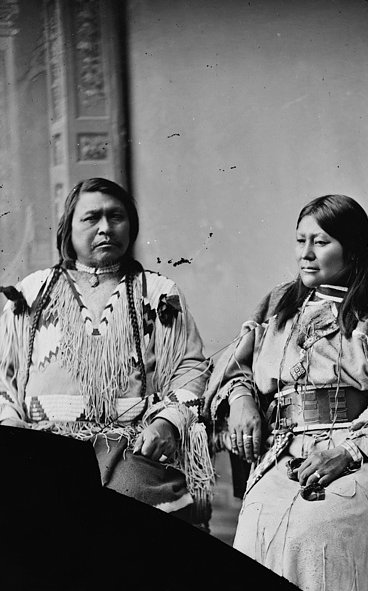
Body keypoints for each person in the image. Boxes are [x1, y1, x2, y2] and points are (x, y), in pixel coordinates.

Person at [204, 194, 368, 591]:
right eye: (301, 241)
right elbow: (235, 367)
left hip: (363, 450)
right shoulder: (278, 305)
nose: (306, 254)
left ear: (352, 250)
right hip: (286, 450)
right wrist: (242, 399)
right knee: (256, 527)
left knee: (316, 528)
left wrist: (348, 452)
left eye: (321, 242)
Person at [0, 177, 213, 520]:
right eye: (91, 218)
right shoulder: (31, 293)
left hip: (129, 446)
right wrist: (11, 427)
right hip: (41, 445)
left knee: (135, 516)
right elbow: (4, 376)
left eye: (116, 217)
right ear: (68, 229)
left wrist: (167, 422)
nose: (106, 228)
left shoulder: (158, 293)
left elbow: (190, 368)